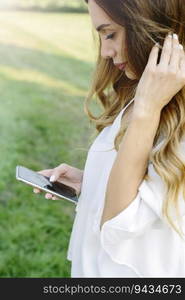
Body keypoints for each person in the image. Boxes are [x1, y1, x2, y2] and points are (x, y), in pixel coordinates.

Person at [33, 0, 185, 277]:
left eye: (110, 34)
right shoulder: (142, 100)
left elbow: (118, 222)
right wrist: (90, 183)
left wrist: (147, 111)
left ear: (149, 23)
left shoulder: (151, 108)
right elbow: (143, 189)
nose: (104, 51)